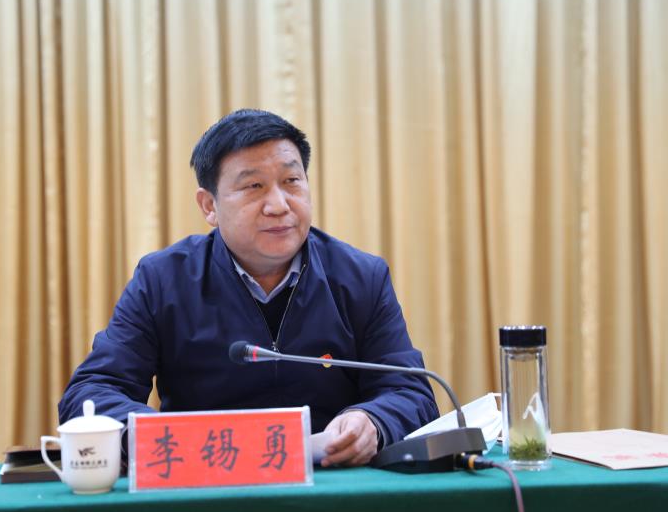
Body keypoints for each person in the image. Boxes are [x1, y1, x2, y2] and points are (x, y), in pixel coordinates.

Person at [58, 109, 439, 467]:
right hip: (204, 482)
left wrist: (373, 420)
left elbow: (410, 392)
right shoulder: (163, 280)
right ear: (209, 205)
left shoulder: (360, 277)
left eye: (291, 181)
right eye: (254, 186)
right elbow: (91, 392)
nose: (279, 205)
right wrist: (164, 435)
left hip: (330, 482)